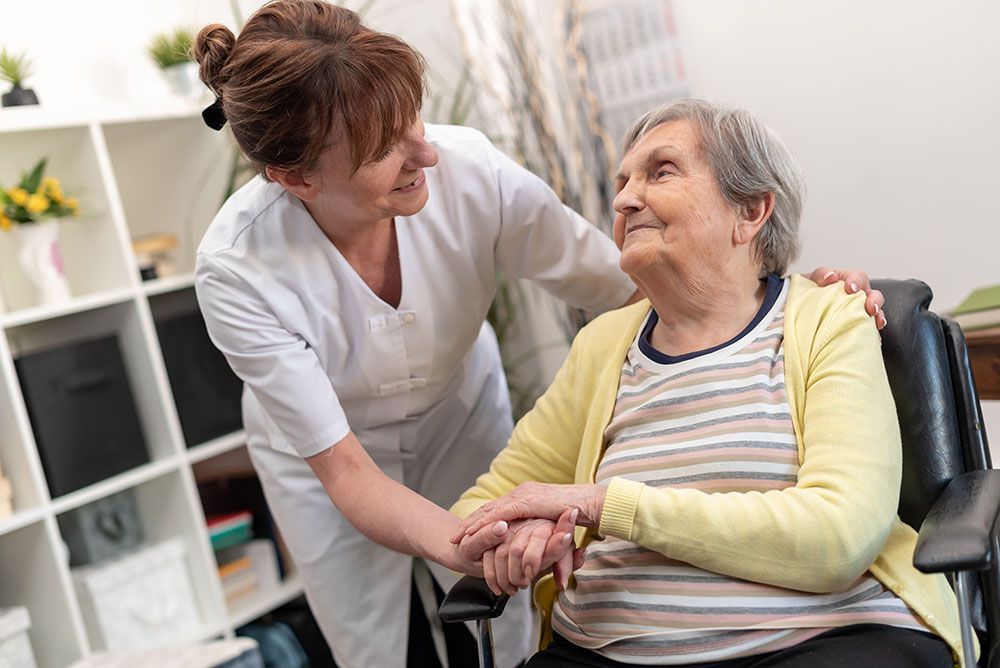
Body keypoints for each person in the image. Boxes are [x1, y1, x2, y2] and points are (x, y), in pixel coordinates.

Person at [192, 2, 885, 667]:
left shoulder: (472, 172)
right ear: (295, 176)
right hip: (327, 462)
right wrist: (465, 540)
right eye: (382, 147)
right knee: (372, 645)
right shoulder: (238, 268)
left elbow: (624, 276)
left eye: (414, 119)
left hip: (457, 413)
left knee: (506, 628)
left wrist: (796, 294)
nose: (425, 153)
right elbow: (346, 473)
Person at [451, 99, 968, 668]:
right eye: (621, 183)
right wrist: (523, 530)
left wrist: (603, 504)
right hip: (605, 651)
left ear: (749, 211)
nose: (622, 199)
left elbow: (837, 539)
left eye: (661, 171)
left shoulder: (830, 317)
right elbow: (483, 509)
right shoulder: (603, 345)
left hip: (822, 640)